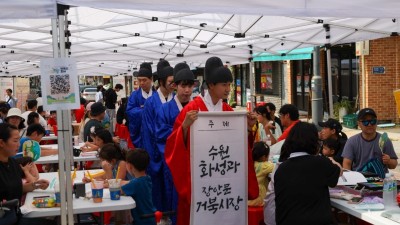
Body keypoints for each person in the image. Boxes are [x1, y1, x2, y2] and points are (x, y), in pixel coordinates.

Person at [164, 56, 259, 225]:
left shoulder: (228, 110)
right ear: (211, 85)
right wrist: (184, 127)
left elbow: (238, 147)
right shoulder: (192, 109)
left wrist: (247, 128)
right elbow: (174, 147)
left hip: (223, 174)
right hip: (200, 176)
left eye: (229, 84)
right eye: (224, 84)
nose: (228, 89)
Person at [274, 122, 342, 225]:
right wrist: (332, 161)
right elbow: (338, 173)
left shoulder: (281, 169)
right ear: (314, 142)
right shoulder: (321, 163)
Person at [155, 62, 194, 216]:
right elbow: (161, 135)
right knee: (176, 203)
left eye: (190, 86)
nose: (187, 90)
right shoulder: (164, 109)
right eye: (183, 86)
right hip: (174, 162)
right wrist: (182, 128)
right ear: (175, 86)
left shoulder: (196, 107)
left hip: (194, 163)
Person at [0, 123, 52, 225]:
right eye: (15, 141)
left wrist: (36, 185)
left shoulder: (13, 163)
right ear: (1, 143)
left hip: (15, 215)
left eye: (19, 140)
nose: (19, 144)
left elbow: (17, 187)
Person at [141, 60, 174, 210]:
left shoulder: (177, 99)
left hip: (174, 152)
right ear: (161, 82)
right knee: (157, 186)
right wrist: (154, 156)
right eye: (171, 81)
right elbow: (147, 132)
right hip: (156, 152)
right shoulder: (151, 102)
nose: (174, 85)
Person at [342, 108, 398, 178]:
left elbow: (394, 165)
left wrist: (389, 160)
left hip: (380, 181)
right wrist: (350, 180)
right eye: (365, 122)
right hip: (359, 180)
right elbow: (346, 164)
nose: (369, 125)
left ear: (376, 122)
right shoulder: (352, 141)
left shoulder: (384, 140)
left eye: (373, 121)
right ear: (359, 124)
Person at [121, 149, 156, 225]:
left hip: (142, 220)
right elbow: (130, 183)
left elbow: (118, 191)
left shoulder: (135, 184)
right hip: (150, 218)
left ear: (130, 166)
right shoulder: (146, 178)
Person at [126, 63, 155, 148]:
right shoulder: (134, 95)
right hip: (139, 133)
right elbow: (130, 112)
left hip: (154, 134)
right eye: (139, 80)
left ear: (151, 79)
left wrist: (142, 109)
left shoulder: (157, 95)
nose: (142, 83)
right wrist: (147, 110)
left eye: (144, 80)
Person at [248, 141, 274, 206]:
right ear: (264, 157)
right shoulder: (264, 166)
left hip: (250, 194)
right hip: (259, 196)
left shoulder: (250, 163)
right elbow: (275, 167)